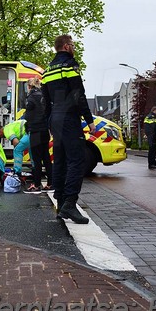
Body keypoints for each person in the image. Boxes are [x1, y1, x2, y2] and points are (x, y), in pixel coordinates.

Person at [42, 34, 95, 224]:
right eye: (72, 45)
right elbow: (79, 94)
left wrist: (49, 122)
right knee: (77, 161)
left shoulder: (47, 70)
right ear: (66, 46)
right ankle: (70, 204)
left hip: (55, 119)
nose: (74, 47)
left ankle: (61, 201)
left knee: (61, 160)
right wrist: (89, 120)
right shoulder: (69, 65)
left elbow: (46, 101)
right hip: (69, 118)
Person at [23, 77, 53, 194]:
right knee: (46, 157)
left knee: (36, 159)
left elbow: (28, 115)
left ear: (29, 86)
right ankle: (50, 183)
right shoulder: (44, 96)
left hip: (35, 130)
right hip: (45, 130)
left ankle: (36, 185)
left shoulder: (31, 97)